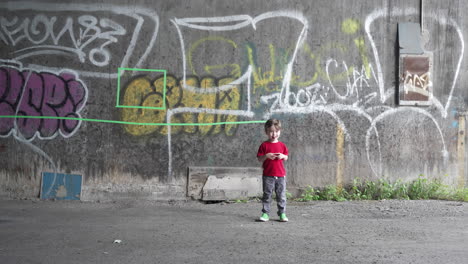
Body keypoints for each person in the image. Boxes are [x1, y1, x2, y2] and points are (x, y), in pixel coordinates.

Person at [256, 119, 289, 222]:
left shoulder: (282, 145)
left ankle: (282, 213)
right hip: (268, 175)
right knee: (267, 195)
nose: (274, 134)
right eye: (271, 131)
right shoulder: (264, 145)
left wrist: (282, 156)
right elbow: (259, 158)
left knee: (281, 196)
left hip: (280, 175)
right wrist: (266, 156)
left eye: (276, 131)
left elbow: (286, 157)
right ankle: (265, 213)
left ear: (280, 131)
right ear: (266, 132)